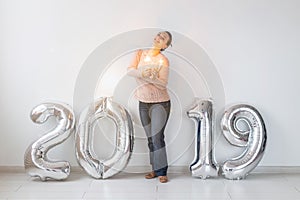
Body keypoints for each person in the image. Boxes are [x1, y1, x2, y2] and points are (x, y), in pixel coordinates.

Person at [127, 31, 172, 183]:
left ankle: (162, 171)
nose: (159, 37)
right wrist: (144, 73)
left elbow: (163, 84)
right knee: (150, 139)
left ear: (165, 45)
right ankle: (154, 169)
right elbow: (130, 71)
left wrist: (152, 78)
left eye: (163, 38)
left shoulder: (163, 60)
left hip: (160, 103)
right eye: (159, 35)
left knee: (157, 137)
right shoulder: (140, 54)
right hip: (143, 102)